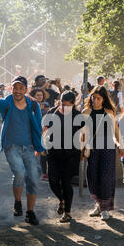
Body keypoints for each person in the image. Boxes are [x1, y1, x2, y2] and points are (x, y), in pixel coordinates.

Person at [0, 76, 45, 225]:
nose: (18, 91)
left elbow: (38, 126)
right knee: (19, 172)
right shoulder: (7, 102)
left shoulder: (33, 105)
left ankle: (30, 212)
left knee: (33, 177)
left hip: (29, 146)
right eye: (15, 88)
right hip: (11, 146)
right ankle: (18, 202)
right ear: (11, 89)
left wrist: (38, 146)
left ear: (26, 90)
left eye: (21, 88)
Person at [83, 85, 124, 221]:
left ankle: (105, 209)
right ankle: (98, 205)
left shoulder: (109, 112)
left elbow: (116, 131)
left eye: (98, 98)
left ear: (103, 99)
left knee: (106, 177)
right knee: (93, 176)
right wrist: (81, 147)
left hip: (108, 148)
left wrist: (121, 145)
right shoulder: (86, 112)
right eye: (93, 97)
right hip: (92, 148)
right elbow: (82, 132)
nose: (95, 100)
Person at [43, 91, 84, 222]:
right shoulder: (52, 113)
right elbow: (44, 130)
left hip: (71, 154)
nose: (64, 107)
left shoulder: (78, 116)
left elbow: (84, 135)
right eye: (62, 104)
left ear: (73, 104)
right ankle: (62, 200)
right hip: (54, 153)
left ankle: (67, 213)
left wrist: (83, 151)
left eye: (67, 105)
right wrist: (43, 145)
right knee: (53, 181)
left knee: (66, 182)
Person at [31, 88, 50, 180]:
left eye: (41, 95)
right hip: (33, 132)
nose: (40, 97)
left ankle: (44, 172)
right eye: (37, 95)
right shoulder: (30, 105)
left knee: (44, 153)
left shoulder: (46, 105)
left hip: (44, 132)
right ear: (33, 96)